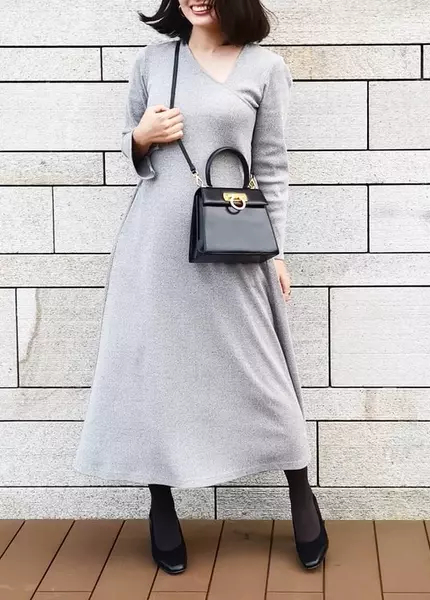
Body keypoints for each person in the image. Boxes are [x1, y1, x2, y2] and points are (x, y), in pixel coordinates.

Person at [73, 0, 328, 574]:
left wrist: (276, 250)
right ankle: (161, 503)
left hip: (233, 239)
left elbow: (272, 167)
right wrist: (141, 137)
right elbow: (129, 147)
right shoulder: (154, 61)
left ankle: (299, 487)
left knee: (262, 372)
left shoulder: (265, 68)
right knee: (158, 373)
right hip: (156, 247)